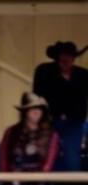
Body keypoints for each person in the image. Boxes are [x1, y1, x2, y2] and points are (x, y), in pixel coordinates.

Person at [33, 41, 88, 171]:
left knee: (72, 157)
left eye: (69, 59)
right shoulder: (44, 71)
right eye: (62, 60)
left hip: (74, 122)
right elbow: (37, 96)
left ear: (74, 59)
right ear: (57, 59)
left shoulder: (83, 75)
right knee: (47, 155)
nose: (65, 63)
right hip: (50, 121)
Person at [0, 92, 59, 185]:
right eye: (32, 108)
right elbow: (4, 160)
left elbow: (49, 164)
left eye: (39, 108)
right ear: (25, 111)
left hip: (41, 184)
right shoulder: (11, 132)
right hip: (14, 183)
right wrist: (10, 181)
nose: (36, 112)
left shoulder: (51, 134)